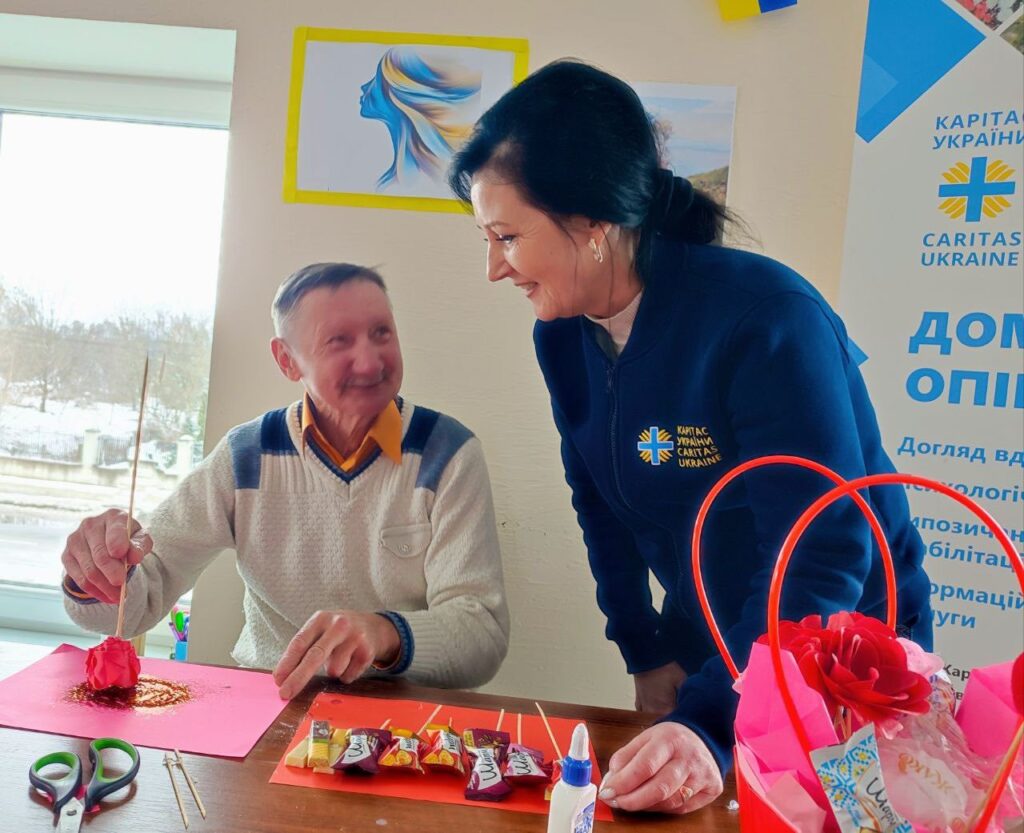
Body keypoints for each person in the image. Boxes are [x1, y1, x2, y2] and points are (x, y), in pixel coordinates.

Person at [449, 60, 931, 814]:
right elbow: (599, 501)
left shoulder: (764, 320)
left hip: (841, 654)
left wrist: (709, 717)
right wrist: (645, 648)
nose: (493, 268)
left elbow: (822, 552)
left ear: (593, 222)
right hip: (719, 639)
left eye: (507, 236)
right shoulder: (564, 336)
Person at [61, 263, 510, 698]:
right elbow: (137, 606)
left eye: (381, 333)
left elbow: (481, 638)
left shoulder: (449, 452)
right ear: (287, 360)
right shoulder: (245, 455)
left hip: (401, 721)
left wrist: (385, 632)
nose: (370, 361)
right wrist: (95, 574)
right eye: (339, 340)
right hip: (270, 705)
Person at [359, 47, 482, 191]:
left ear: (398, 93)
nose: (363, 86)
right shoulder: (399, 177)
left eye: (377, 79)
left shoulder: (408, 179)